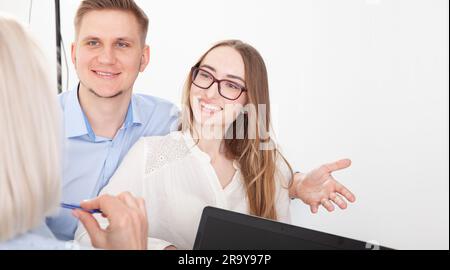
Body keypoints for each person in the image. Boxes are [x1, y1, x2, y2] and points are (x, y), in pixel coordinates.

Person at [49, 0, 355, 242]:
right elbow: (90, 233)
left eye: (232, 85)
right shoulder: (158, 152)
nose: (211, 93)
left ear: (250, 101)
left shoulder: (264, 164)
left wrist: (297, 183)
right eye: (205, 76)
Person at [0, 14, 148, 250]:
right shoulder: (40, 127)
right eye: (93, 42)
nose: (107, 58)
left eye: (121, 44)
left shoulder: (172, 121)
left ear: (144, 58)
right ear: (73, 53)